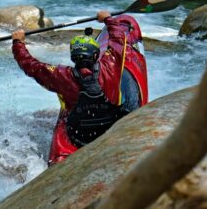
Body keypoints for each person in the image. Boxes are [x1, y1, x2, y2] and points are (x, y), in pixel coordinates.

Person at [12, 11, 148, 166]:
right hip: (108, 131)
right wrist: (108, 20)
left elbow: (31, 65)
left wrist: (18, 43)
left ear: (73, 57)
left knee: (66, 112)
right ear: (97, 55)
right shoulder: (111, 64)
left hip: (78, 136)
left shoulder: (61, 76)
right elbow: (119, 40)